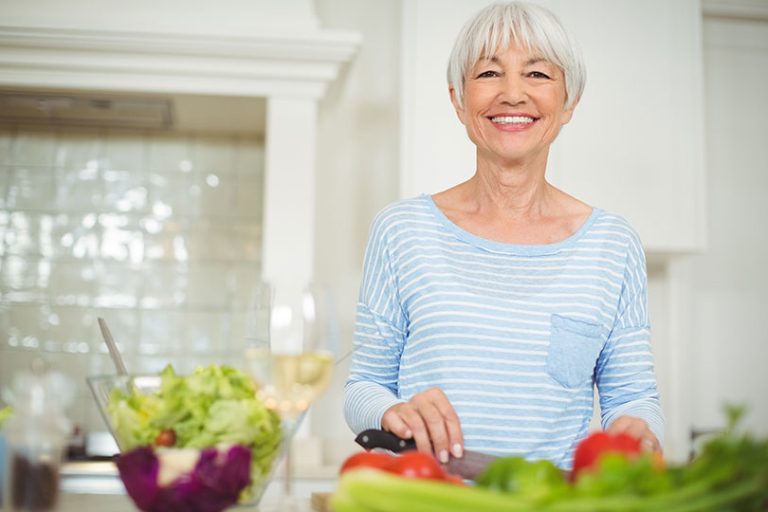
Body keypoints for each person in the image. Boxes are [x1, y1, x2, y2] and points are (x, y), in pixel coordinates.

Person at [344, 1, 663, 470]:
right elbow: (362, 387)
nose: (513, 94)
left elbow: (634, 398)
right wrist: (392, 410)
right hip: (428, 498)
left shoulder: (613, 245)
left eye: (537, 74)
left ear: (569, 101)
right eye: (490, 73)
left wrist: (637, 430)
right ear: (458, 99)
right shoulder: (401, 231)